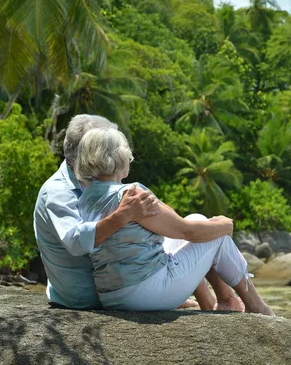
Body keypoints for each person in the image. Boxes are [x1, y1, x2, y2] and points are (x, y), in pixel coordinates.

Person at [75, 127, 274, 315]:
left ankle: (224, 300)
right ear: (119, 157)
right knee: (216, 235)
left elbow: (176, 220)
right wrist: (226, 225)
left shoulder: (85, 198)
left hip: (111, 295)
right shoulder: (132, 195)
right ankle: (256, 305)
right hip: (145, 292)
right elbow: (187, 232)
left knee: (197, 219)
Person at [33, 115, 161, 309]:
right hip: (86, 295)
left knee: (190, 232)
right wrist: (123, 216)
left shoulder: (94, 181)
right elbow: (75, 241)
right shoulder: (57, 192)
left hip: (112, 282)